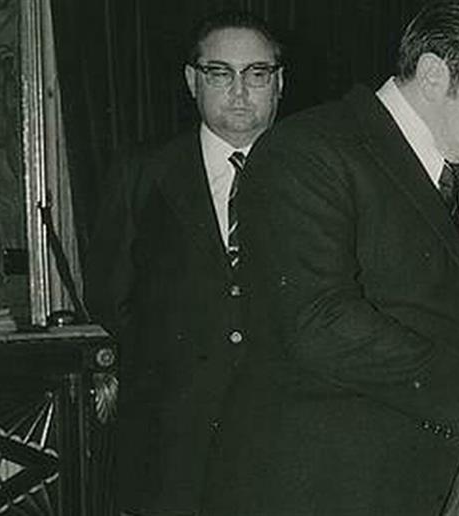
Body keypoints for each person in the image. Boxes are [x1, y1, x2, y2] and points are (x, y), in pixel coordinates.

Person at [200, 3, 459, 516]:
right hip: (335, 488)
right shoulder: (308, 150)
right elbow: (319, 321)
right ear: (434, 74)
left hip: (449, 479)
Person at [85, 11, 284, 516]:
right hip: (172, 451)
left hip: (286, 440)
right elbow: (109, 296)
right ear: (192, 81)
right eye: (220, 73)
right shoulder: (141, 174)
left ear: (279, 83)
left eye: (257, 73)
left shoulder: (321, 172)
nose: (239, 91)